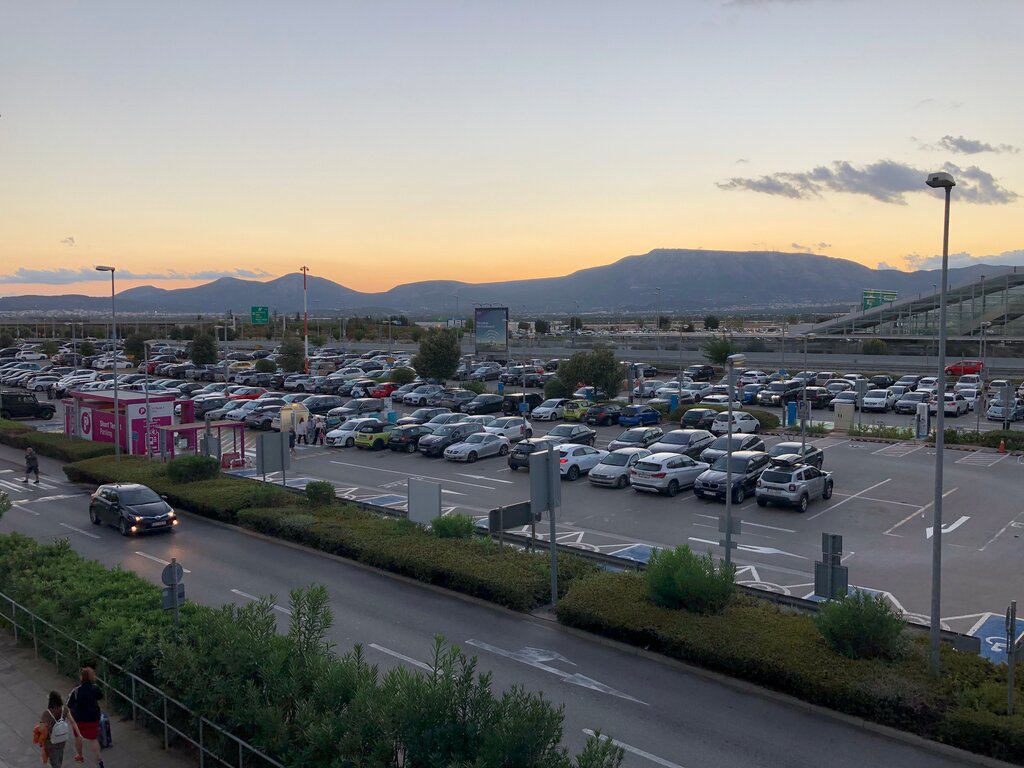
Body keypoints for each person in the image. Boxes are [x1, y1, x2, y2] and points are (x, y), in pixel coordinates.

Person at [68, 667, 103, 768]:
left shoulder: (76, 691)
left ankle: (80, 755)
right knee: (93, 739)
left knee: (78, 737)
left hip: (79, 720)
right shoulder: (95, 688)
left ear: (81, 677)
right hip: (93, 718)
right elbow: (100, 697)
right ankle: (99, 759)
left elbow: (69, 704)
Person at [39, 689, 82, 767]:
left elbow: (42, 731)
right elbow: (73, 722)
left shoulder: (46, 714)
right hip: (62, 738)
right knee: (60, 754)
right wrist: (78, 734)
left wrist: (42, 746)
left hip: (51, 742)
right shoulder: (64, 709)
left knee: (54, 761)